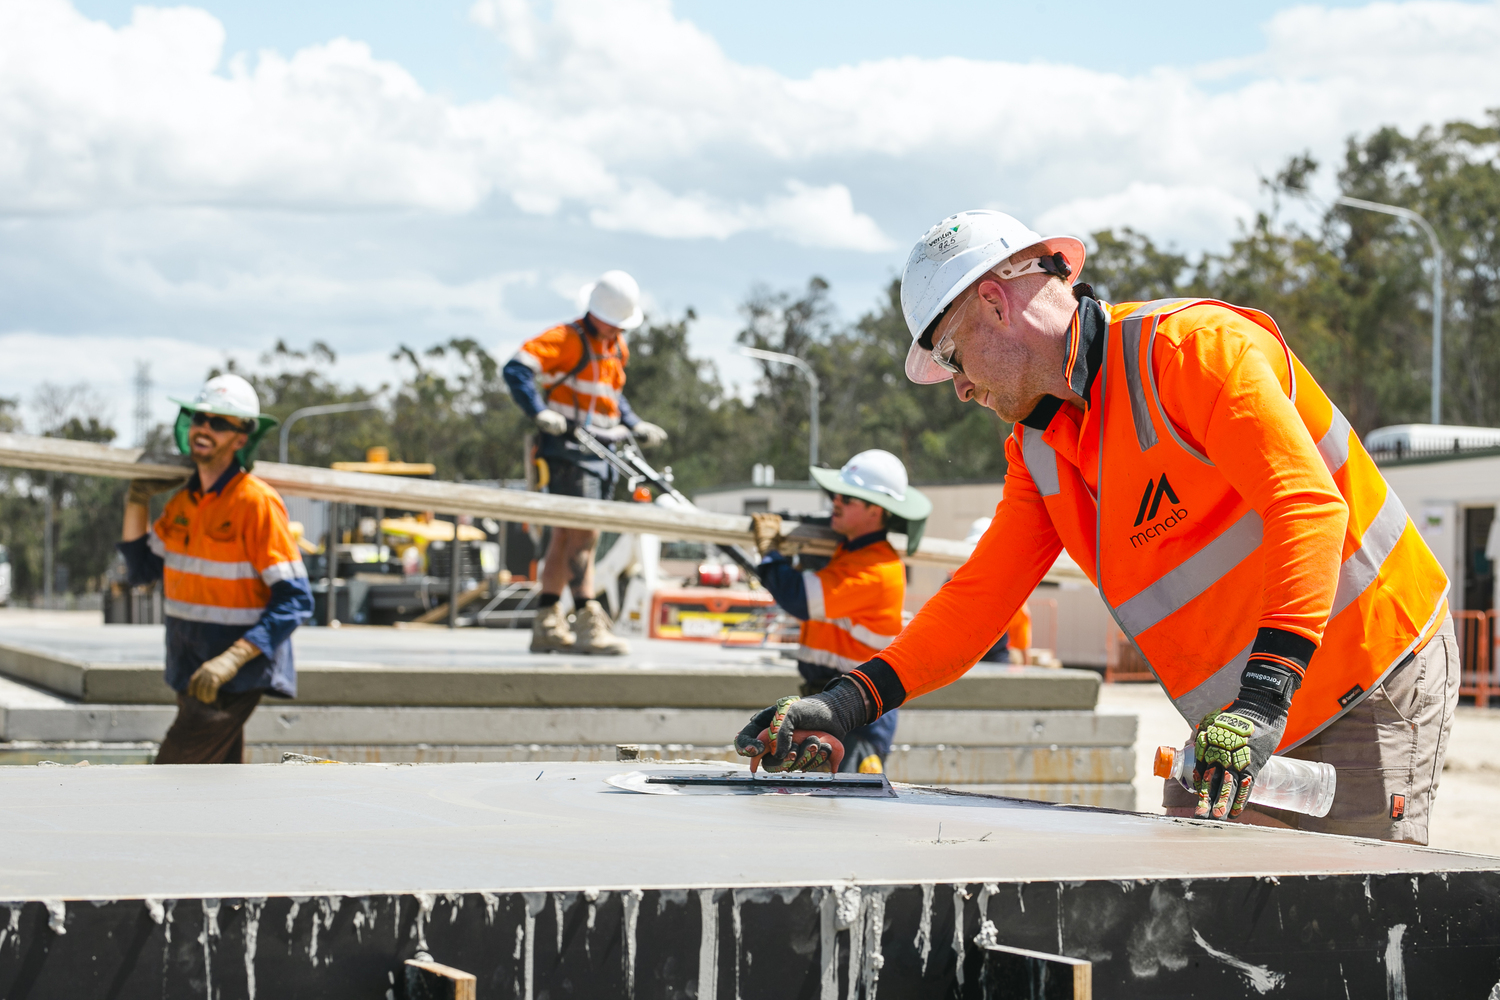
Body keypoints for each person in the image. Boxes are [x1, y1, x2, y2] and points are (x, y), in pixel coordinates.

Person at [736, 209, 1455, 845]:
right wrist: (844, 704)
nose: (958, 385)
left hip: (1370, 672)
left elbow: (1308, 507)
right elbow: (976, 601)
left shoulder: (1193, 352)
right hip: (1250, 711)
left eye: (952, 357)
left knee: (1345, 926)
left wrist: (1263, 699)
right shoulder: (1040, 450)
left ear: (993, 302)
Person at [119, 374, 314, 764]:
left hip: (234, 671)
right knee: (216, 784)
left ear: (241, 438)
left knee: (173, 772)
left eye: (220, 422)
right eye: (200, 418)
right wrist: (137, 501)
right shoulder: (184, 504)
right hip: (190, 662)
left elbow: (296, 599)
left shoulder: (255, 503)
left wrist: (232, 659)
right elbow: (141, 569)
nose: (205, 428)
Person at [502, 270, 669, 655]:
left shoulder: (615, 347)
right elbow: (516, 370)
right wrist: (539, 411)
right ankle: (587, 619)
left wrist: (634, 423)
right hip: (569, 449)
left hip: (603, 451)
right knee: (584, 534)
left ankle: (547, 620)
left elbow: (612, 396)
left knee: (565, 534)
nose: (617, 331)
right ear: (597, 314)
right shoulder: (565, 340)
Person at [748, 450, 931, 774]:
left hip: (859, 714)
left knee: (848, 811)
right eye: (836, 494)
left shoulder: (877, 568)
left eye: (848, 498)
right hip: (829, 701)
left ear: (876, 510)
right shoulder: (846, 551)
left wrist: (770, 555)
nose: (836, 501)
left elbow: (800, 598)